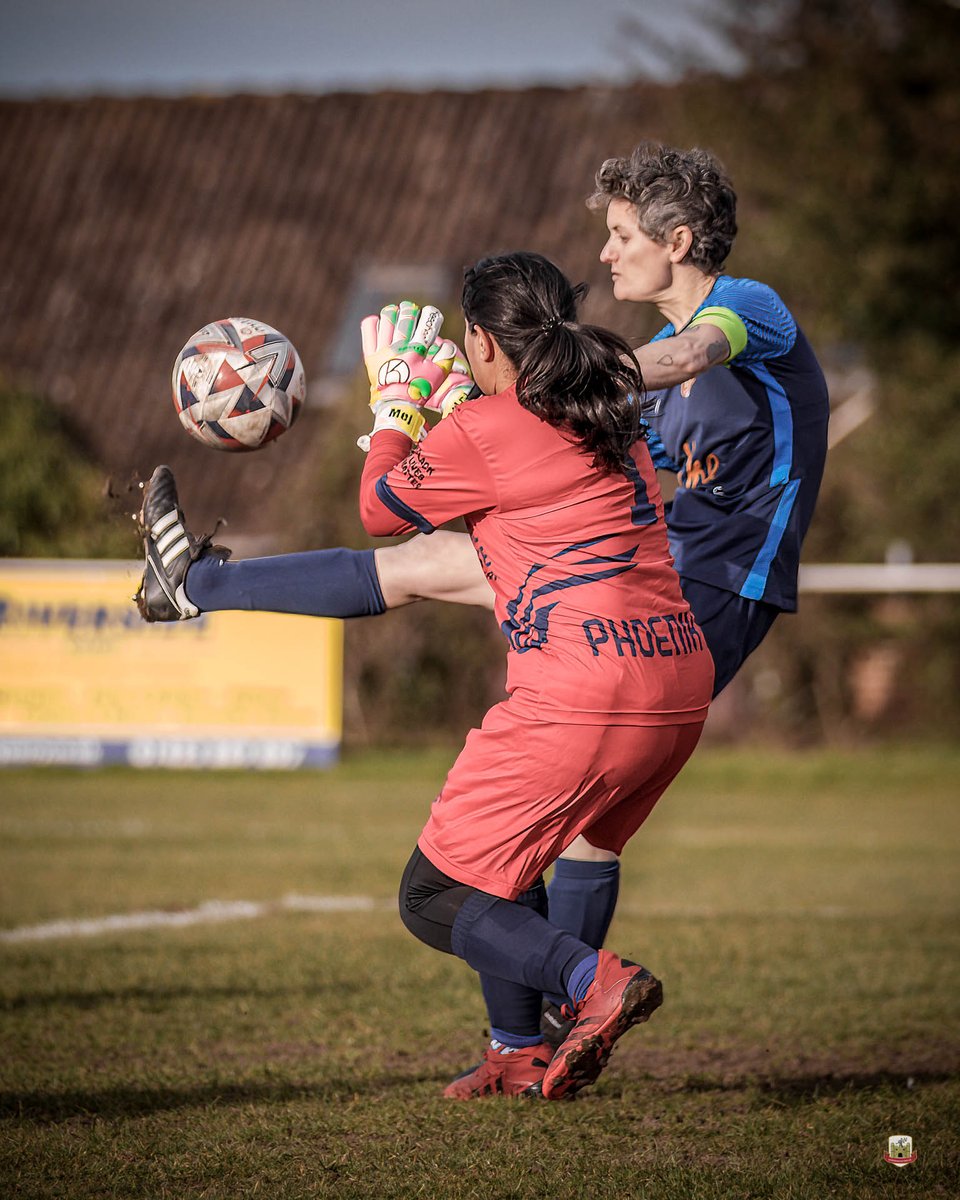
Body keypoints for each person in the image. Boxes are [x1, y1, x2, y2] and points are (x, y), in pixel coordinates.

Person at [136, 139, 828, 1052]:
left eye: (623, 235)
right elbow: (569, 463)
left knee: (558, 825)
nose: (609, 254)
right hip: (643, 569)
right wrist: (456, 409)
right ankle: (195, 585)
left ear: (682, 238)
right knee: (425, 567)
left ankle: (548, 1010)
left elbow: (685, 358)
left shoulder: (743, 311)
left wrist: (473, 402)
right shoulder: (622, 368)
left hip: (715, 582)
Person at [139, 254, 715, 1099]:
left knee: (436, 894)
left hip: (584, 690)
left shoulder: (490, 430)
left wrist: (395, 408)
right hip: (675, 679)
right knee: (509, 869)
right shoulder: (605, 407)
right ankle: (519, 1051)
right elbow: (495, 477)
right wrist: (451, 401)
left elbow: (379, 505)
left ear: (481, 339)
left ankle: (592, 985)